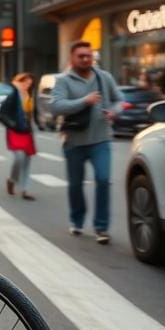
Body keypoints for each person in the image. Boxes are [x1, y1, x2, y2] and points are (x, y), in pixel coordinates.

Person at [49, 40, 122, 244]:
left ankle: (101, 227)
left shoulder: (104, 77)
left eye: (88, 55)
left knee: (103, 179)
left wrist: (113, 111)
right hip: (74, 141)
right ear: (72, 58)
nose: (85, 59)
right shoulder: (63, 80)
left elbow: (119, 99)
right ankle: (77, 221)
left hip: (101, 140)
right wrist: (84, 101)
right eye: (81, 56)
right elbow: (56, 106)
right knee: (75, 185)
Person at [0, 73, 38, 201]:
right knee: (19, 158)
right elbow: (2, 113)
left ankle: (25, 190)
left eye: (29, 82)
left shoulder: (30, 96)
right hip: (15, 131)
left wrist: (40, 123)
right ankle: (12, 180)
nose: (27, 85)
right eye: (25, 82)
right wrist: (13, 124)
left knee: (27, 161)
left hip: (27, 132)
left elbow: (32, 114)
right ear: (18, 82)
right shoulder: (13, 96)